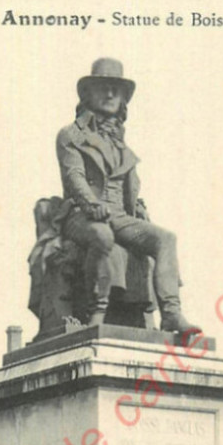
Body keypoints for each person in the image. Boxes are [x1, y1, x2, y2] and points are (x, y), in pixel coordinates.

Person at [56, 58, 194, 332]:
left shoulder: (122, 144)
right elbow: (74, 178)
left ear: (122, 100)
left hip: (119, 215)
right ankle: (96, 314)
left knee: (166, 238)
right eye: (103, 88)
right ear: (87, 94)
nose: (110, 94)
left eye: (115, 90)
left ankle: (171, 314)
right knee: (102, 236)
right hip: (81, 215)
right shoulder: (70, 134)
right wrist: (91, 204)